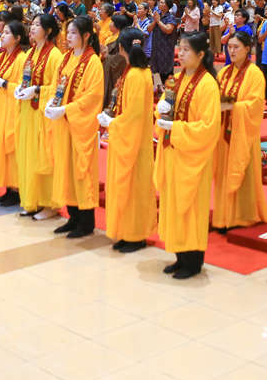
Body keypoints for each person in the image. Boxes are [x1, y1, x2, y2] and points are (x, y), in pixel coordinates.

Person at [155, 30, 220, 279]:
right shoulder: (176, 79)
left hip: (193, 157)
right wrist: (161, 111)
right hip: (174, 153)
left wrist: (178, 128)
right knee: (173, 206)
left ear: (200, 54)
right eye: (179, 49)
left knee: (191, 208)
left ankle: (193, 261)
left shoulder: (207, 85)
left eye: (185, 50)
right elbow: (165, 108)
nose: (180, 54)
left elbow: (208, 127)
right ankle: (179, 255)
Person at [43, 16, 104, 239]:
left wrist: (67, 109)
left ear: (86, 36)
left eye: (73, 33)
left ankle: (86, 221)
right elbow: (55, 85)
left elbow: (93, 96)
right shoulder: (66, 58)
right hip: (64, 125)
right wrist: (51, 102)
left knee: (81, 172)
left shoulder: (93, 62)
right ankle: (72, 216)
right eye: (67, 32)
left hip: (80, 126)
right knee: (66, 170)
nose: (68, 37)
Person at [100, 27, 157, 253]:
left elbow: (134, 115)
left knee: (133, 189)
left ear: (122, 47)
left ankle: (136, 235)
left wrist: (112, 123)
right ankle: (126, 232)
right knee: (127, 189)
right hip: (128, 137)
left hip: (134, 141)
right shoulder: (134, 71)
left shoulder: (136, 75)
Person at [212, 30, 267, 232]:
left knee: (243, 173)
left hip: (243, 134)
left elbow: (255, 105)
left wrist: (233, 107)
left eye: (236, 47)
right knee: (222, 175)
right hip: (223, 133)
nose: (232, 51)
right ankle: (223, 217)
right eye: (229, 47)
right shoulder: (224, 73)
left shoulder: (255, 74)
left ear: (247, 49)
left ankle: (242, 216)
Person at [14, 13, 65, 220]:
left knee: (44, 158)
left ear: (48, 30)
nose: (32, 28)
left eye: (37, 25)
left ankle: (49, 204)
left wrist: (37, 90)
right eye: (32, 24)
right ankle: (31, 200)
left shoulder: (55, 56)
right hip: (28, 112)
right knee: (28, 156)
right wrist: (20, 87)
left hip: (42, 114)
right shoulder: (30, 52)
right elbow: (25, 77)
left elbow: (57, 87)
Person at [0, 20, 28, 207]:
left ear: (17, 38)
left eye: (8, 33)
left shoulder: (22, 59)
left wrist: (3, 84)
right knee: (0, 148)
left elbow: (22, 86)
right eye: (3, 32)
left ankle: (16, 190)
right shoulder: (1, 57)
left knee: (11, 149)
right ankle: (7, 188)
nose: (3, 36)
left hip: (12, 110)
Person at [148, 0, 178, 87]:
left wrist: (158, 21)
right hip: (157, 47)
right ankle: (165, 89)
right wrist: (155, 21)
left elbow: (168, 30)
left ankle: (171, 90)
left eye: (162, 2)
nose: (159, 4)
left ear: (167, 6)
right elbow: (149, 29)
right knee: (159, 70)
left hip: (166, 48)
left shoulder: (170, 17)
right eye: (159, 2)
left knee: (167, 72)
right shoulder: (157, 15)